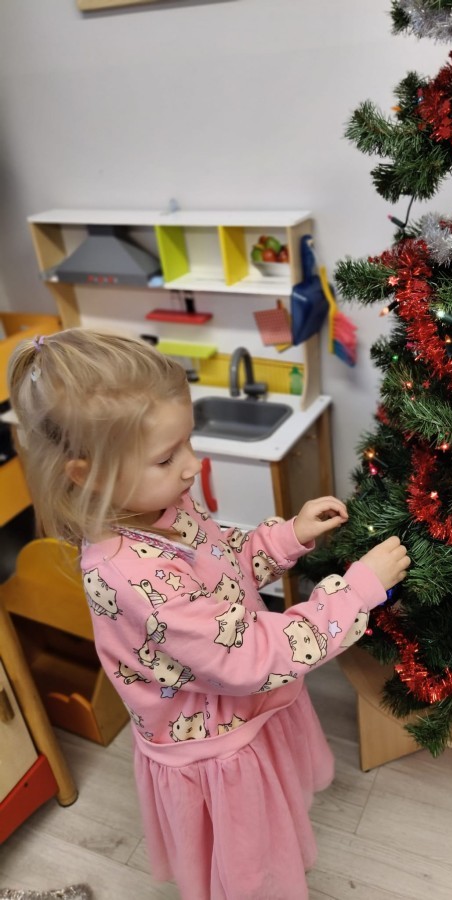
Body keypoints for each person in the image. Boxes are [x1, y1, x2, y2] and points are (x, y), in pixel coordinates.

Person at [8, 328, 410, 900]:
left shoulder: (163, 505)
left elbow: (222, 568)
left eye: (187, 442)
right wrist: (356, 592)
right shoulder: (130, 576)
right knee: (250, 871)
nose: (191, 466)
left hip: (244, 718)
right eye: (166, 457)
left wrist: (286, 537)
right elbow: (246, 656)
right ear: (85, 473)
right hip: (218, 746)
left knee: (271, 841)